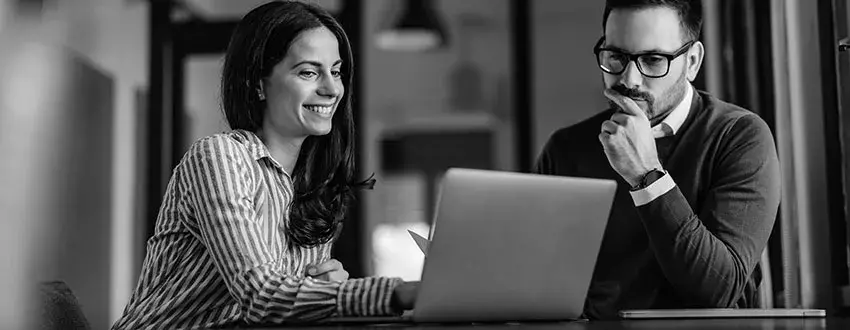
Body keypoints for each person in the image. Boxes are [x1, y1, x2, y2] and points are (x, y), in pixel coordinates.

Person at [112, 2, 416, 329]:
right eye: (309, 72)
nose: (332, 89)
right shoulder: (220, 158)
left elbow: (279, 313)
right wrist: (400, 291)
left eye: (336, 71)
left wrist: (326, 291)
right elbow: (262, 298)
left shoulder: (312, 188)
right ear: (258, 83)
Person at [535, 0, 780, 320]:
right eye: (616, 57)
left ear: (692, 62)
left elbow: (718, 290)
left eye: (652, 60)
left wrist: (646, 175)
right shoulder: (566, 149)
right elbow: (542, 285)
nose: (630, 79)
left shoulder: (739, 137)